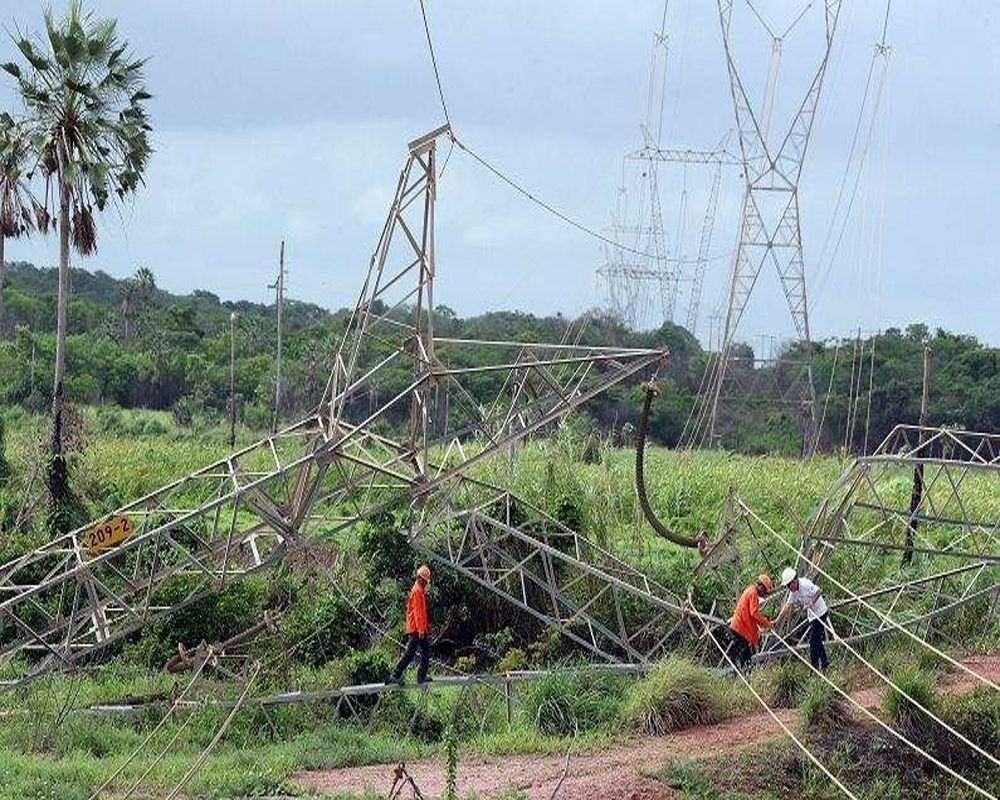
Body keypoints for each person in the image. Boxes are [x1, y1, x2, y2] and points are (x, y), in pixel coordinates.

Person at [775, 566, 830, 671]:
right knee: (817, 640)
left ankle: (814, 668)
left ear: (794, 581)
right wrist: (777, 620)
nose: (789, 588)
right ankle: (825, 663)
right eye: (787, 586)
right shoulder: (794, 592)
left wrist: (811, 602)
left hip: (821, 612)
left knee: (813, 641)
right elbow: (787, 606)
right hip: (812, 615)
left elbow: (819, 591)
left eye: (789, 585)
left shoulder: (805, 584)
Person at [388, 564, 432, 685]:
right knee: (420, 652)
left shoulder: (418, 590)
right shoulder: (417, 591)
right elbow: (418, 612)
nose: (426, 584)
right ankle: (398, 674)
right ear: (421, 579)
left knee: (415, 652)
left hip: (416, 627)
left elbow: (420, 613)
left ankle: (411, 675)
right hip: (417, 629)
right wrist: (421, 630)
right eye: (425, 581)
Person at [727, 573, 773, 672]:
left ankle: (738, 675)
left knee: (739, 656)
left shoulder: (749, 590)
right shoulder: (753, 593)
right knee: (746, 658)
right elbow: (754, 613)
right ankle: (744, 677)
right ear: (761, 586)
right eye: (764, 590)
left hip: (738, 628)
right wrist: (766, 623)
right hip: (740, 629)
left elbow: (751, 614)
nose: (764, 593)